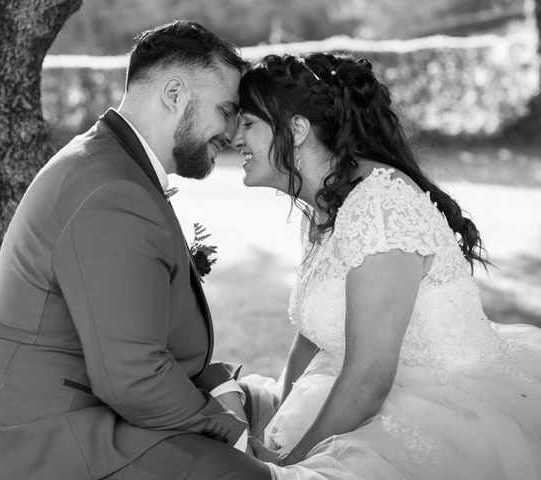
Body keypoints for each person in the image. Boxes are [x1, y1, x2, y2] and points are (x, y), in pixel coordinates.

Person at [0, 21, 272, 480]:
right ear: (174, 94)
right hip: (37, 439)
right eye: (226, 110)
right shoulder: (113, 189)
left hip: (76, 413)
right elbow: (134, 379)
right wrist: (232, 433)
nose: (234, 133)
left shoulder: (111, 163)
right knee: (244, 474)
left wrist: (217, 388)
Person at [231, 52, 541, 479]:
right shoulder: (326, 205)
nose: (235, 137)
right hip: (360, 389)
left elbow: (370, 376)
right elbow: (309, 339)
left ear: (296, 130)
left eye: (248, 123)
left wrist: (287, 464)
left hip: (445, 410)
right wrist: (274, 433)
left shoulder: (381, 205)